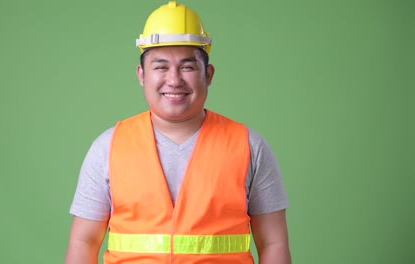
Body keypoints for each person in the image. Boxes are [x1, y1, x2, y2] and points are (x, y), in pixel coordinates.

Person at [65, 1, 291, 263]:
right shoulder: (109, 147)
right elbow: (83, 242)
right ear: (141, 75)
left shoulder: (248, 146)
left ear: (208, 74)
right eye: (161, 66)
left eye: (187, 67)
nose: (174, 80)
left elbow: (274, 243)